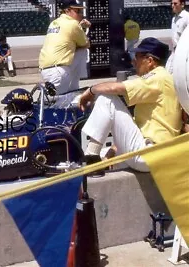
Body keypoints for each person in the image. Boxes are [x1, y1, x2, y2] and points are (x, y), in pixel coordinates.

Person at [79, 37, 183, 172]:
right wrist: (112, 152)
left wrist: (91, 90)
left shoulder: (158, 77)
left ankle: (91, 156)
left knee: (107, 98)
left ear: (150, 61)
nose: (133, 61)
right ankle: (93, 157)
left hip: (151, 153)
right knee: (104, 152)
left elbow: (116, 88)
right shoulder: (166, 79)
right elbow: (136, 128)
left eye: (137, 57)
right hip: (158, 153)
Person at [38, 0, 91, 95]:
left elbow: (67, 35)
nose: (81, 15)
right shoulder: (73, 24)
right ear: (67, 10)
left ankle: (74, 87)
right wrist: (83, 28)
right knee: (59, 104)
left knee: (53, 101)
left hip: (45, 70)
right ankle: (75, 87)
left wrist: (79, 27)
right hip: (58, 72)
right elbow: (86, 44)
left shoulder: (54, 23)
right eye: (77, 11)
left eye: (81, 12)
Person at [165, 0, 189, 73]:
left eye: (175, 3)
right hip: (175, 51)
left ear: (182, 5)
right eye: (172, 3)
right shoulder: (174, 18)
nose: (172, 5)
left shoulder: (187, 17)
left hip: (185, 53)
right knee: (168, 71)